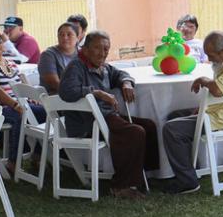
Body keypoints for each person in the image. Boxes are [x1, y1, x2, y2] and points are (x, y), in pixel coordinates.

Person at [59, 31, 158, 200]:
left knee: (148, 126)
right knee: (134, 132)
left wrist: (126, 83)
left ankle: (141, 175)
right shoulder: (76, 66)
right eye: (97, 48)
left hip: (104, 116)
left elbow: (120, 74)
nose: (102, 53)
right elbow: (66, 91)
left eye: (106, 49)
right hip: (88, 121)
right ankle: (121, 185)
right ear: (86, 49)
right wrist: (97, 93)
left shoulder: (102, 66)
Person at [161, 31, 223, 195]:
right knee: (174, 116)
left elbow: (218, 90)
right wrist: (204, 107)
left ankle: (187, 181)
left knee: (171, 129)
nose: (209, 59)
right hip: (222, 112)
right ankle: (190, 169)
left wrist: (203, 80)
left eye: (211, 55)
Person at [0, 28, 46, 171]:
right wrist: (15, 104)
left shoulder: (9, 63)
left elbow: (18, 87)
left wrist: (30, 98)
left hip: (12, 106)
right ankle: (13, 162)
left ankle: (37, 155)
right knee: (19, 114)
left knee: (45, 112)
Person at [38, 22, 79, 94]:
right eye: (61, 35)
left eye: (69, 34)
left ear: (77, 38)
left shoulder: (83, 53)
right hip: (55, 98)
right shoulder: (48, 55)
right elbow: (55, 84)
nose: (65, 37)